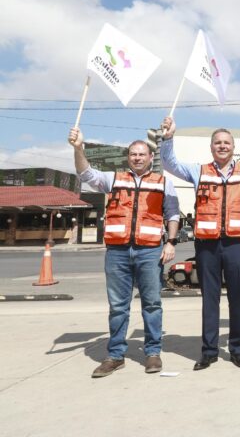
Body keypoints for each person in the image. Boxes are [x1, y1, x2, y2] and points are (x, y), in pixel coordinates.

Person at [69, 127, 179, 378]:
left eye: (142, 154)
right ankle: (115, 355)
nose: (138, 158)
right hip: (118, 252)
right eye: (133, 154)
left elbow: (172, 214)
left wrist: (171, 242)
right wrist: (78, 148)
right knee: (118, 306)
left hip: (150, 250)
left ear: (151, 158)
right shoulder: (113, 179)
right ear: (127, 157)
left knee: (152, 304)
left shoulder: (164, 182)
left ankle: (152, 352)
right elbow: (85, 172)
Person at [160, 117, 240, 370]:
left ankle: (237, 348)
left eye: (226, 142)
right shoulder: (199, 171)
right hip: (207, 245)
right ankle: (208, 351)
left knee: (238, 298)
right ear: (211, 147)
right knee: (210, 298)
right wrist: (168, 138)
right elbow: (169, 163)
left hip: (237, 244)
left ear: (233, 146)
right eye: (217, 142)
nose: (222, 146)